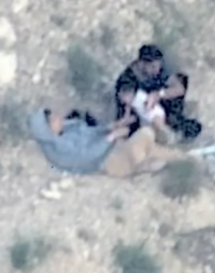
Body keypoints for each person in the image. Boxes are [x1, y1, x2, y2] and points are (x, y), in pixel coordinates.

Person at [27, 107, 192, 177]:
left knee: (147, 141)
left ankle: (186, 160)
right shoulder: (58, 149)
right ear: (47, 129)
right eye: (53, 120)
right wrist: (111, 137)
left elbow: (90, 132)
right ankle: (144, 168)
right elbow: (86, 155)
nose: (58, 119)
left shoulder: (68, 128)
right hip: (107, 160)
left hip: (113, 148)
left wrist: (112, 127)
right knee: (142, 139)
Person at [115, 44, 202, 142]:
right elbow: (126, 104)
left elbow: (179, 89)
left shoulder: (160, 70)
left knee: (191, 128)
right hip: (141, 114)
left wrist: (158, 94)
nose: (156, 70)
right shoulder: (128, 78)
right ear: (141, 63)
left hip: (163, 106)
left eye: (158, 65)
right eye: (153, 67)